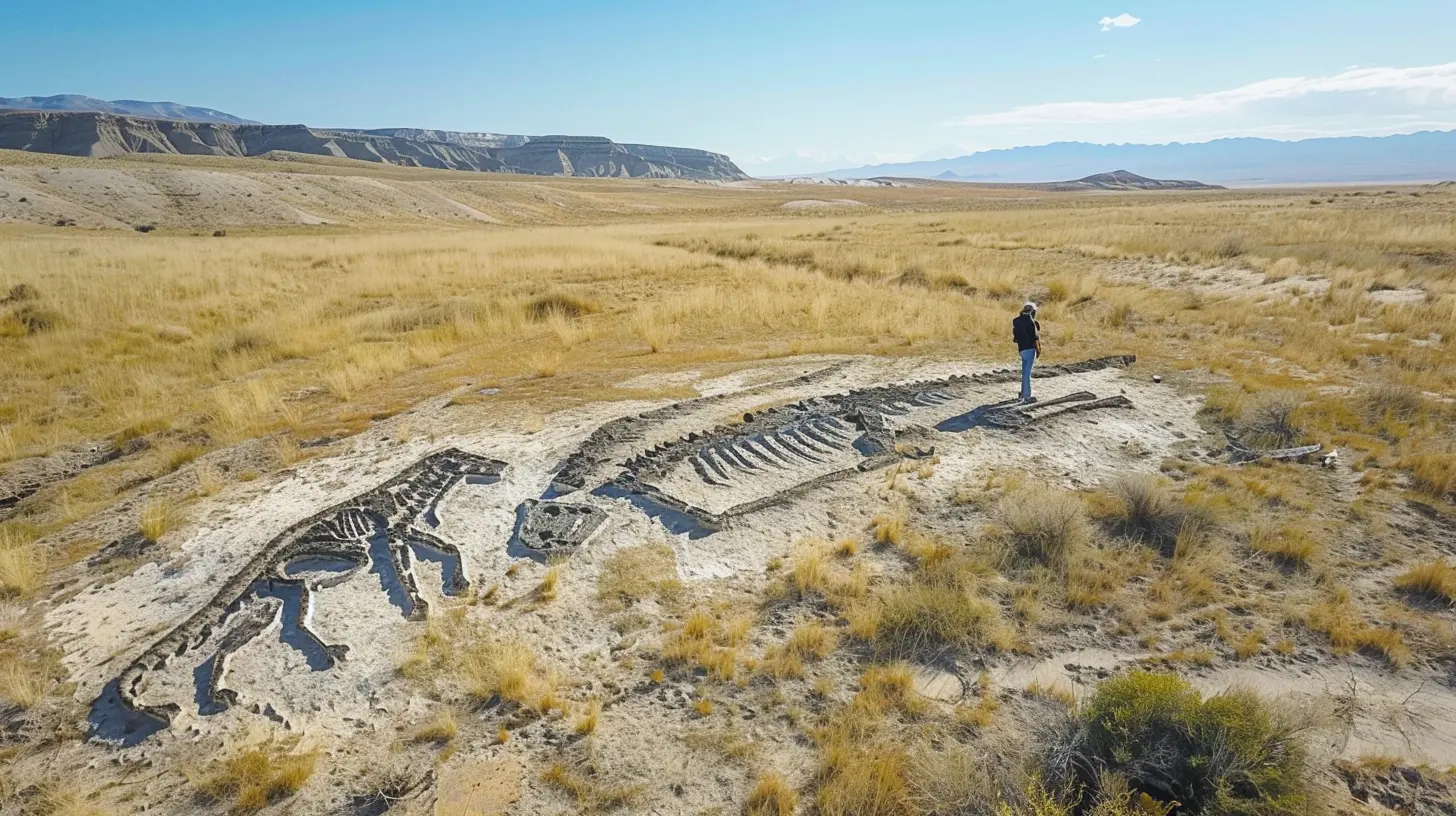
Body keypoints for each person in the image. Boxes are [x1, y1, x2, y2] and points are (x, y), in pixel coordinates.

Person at [1012, 302, 1041, 403]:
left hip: (1021, 349)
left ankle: (1022, 393)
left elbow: (1015, 338)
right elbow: (1034, 338)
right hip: (1030, 349)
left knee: (1024, 373)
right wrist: (1038, 349)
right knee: (1027, 374)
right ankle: (1027, 396)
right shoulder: (1031, 322)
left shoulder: (1016, 321)